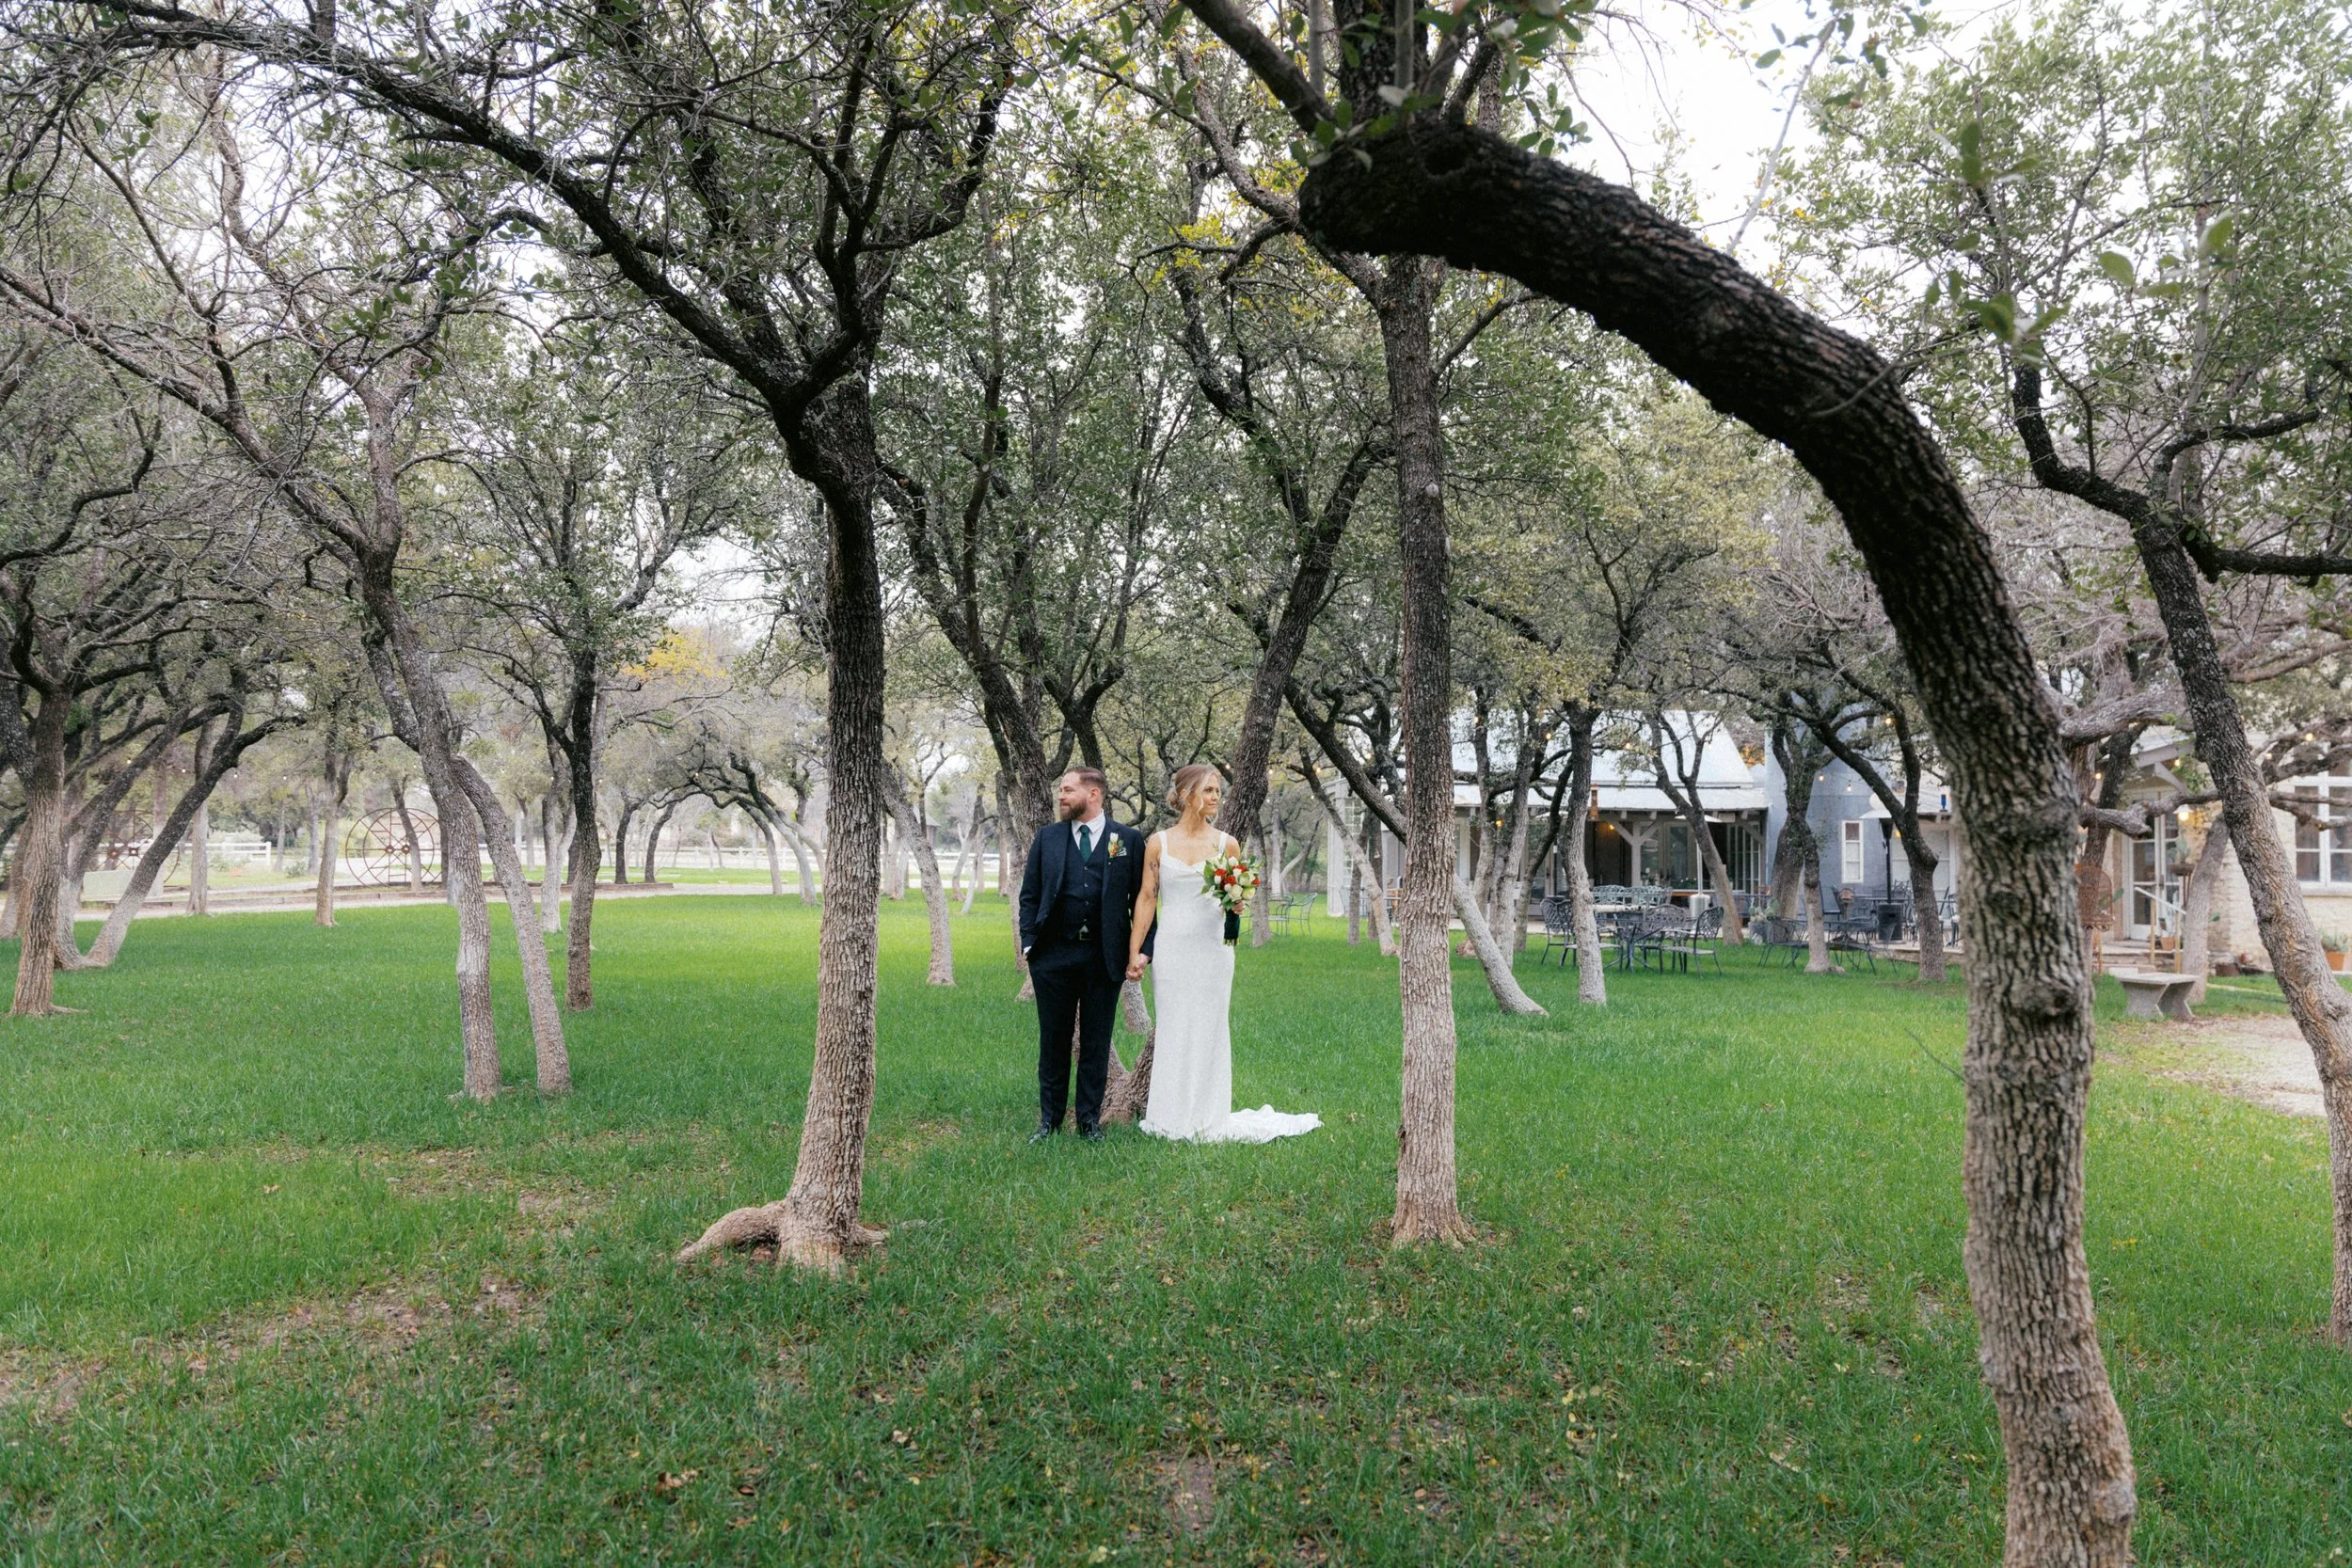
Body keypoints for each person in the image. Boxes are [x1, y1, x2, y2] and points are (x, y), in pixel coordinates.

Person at [1126, 765, 1320, 1145]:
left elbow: (1236, 896)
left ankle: (1208, 1115)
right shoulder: (1158, 843)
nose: (1217, 797)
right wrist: (1135, 951)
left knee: (1210, 1029)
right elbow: (1147, 897)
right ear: (1185, 795)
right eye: (1209, 790)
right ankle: (1168, 1115)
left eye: (1219, 791)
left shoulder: (1226, 844)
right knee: (1174, 1027)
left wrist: (1237, 905)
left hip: (1214, 951)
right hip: (1173, 949)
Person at [1017, 768, 1151, 1142]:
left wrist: (1143, 950)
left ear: (1093, 794)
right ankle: (1050, 1122)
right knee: (1054, 1043)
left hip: (1102, 959)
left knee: (1095, 1042)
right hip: (1053, 958)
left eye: (1067, 789)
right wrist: (1031, 946)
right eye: (1061, 789)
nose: (1060, 796)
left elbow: (1145, 898)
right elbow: (1029, 895)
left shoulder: (1127, 839)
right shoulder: (1048, 838)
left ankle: (1090, 1122)